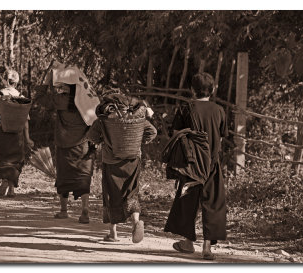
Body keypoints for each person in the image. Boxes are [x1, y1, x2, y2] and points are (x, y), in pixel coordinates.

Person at [164, 72, 228, 260]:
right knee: (213, 204)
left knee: (187, 201)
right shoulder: (219, 111)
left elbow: (176, 135)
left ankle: (187, 242)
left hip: (191, 164)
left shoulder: (185, 108)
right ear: (213, 89)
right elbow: (221, 138)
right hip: (212, 165)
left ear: (192, 90)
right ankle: (207, 247)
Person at [86, 93, 157, 243]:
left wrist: (102, 141)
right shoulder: (138, 119)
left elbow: (91, 136)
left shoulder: (104, 120)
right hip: (133, 161)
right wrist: (138, 142)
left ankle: (113, 233)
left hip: (111, 162)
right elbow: (153, 132)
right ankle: (136, 222)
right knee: (132, 192)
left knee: (111, 195)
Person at [43, 63, 100, 224]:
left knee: (63, 177)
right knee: (83, 178)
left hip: (64, 144)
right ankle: (85, 210)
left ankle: (63, 210)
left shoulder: (62, 100)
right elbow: (97, 121)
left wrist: (48, 80)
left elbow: (41, 99)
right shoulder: (89, 100)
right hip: (84, 145)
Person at [0, 69, 34, 197]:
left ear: (4, 80)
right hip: (17, 135)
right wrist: (28, 138)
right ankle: (12, 188)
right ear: (17, 82)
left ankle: (5, 180)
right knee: (16, 160)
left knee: (2, 158)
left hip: (2, 133)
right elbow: (25, 121)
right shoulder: (22, 98)